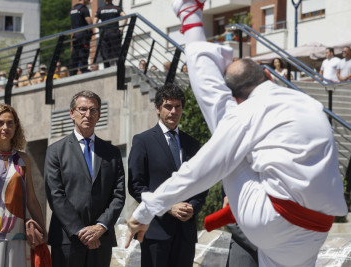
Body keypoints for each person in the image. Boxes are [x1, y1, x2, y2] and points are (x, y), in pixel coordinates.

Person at [126, 1, 347, 266]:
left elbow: (200, 169)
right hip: (318, 228)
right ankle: (190, 19)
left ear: (236, 99)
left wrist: (147, 209)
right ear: (269, 75)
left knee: (223, 131)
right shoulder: (310, 104)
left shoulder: (243, 113)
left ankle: (190, 17)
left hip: (274, 219)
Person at [128, 84, 207, 267]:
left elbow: (202, 183)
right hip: (156, 231)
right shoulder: (143, 141)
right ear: (157, 108)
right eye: (168, 106)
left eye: (177, 106)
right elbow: (136, 186)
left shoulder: (192, 144)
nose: (173, 111)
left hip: (185, 233)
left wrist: (193, 207)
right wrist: (168, 206)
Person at [44, 90, 125, 267]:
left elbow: (118, 196)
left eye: (93, 110)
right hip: (67, 239)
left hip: (101, 240)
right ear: (72, 113)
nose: (88, 114)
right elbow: (56, 196)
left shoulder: (112, 153)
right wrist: (81, 231)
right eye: (82, 109)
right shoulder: (55, 151)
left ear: (99, 115)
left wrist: (100, 227)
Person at [0, 103, 47, 267]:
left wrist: (43, 230)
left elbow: (31, 199)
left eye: (10, 123)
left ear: (16, 126)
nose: (5, 127)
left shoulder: (23, 159)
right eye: (0, 123)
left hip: (16, 235)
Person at [93, 0, 127, 68]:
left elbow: (94, 23)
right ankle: (120, 68)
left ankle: (107, 68)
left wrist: (101, 28)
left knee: (105, 53)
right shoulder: (117, 8)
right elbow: (125, 17)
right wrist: (122, 28)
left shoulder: (100, 9)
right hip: (114, 32)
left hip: (104, 33)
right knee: (117, 52)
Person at [70, 0, 93, 76]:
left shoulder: (73, 9)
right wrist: (91, 32)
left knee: (75, 54)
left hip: (75, 35)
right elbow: (89, 22)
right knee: (83, 53)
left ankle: (72, 72)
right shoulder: (84, 9)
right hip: (83, 35)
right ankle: (84, 70)